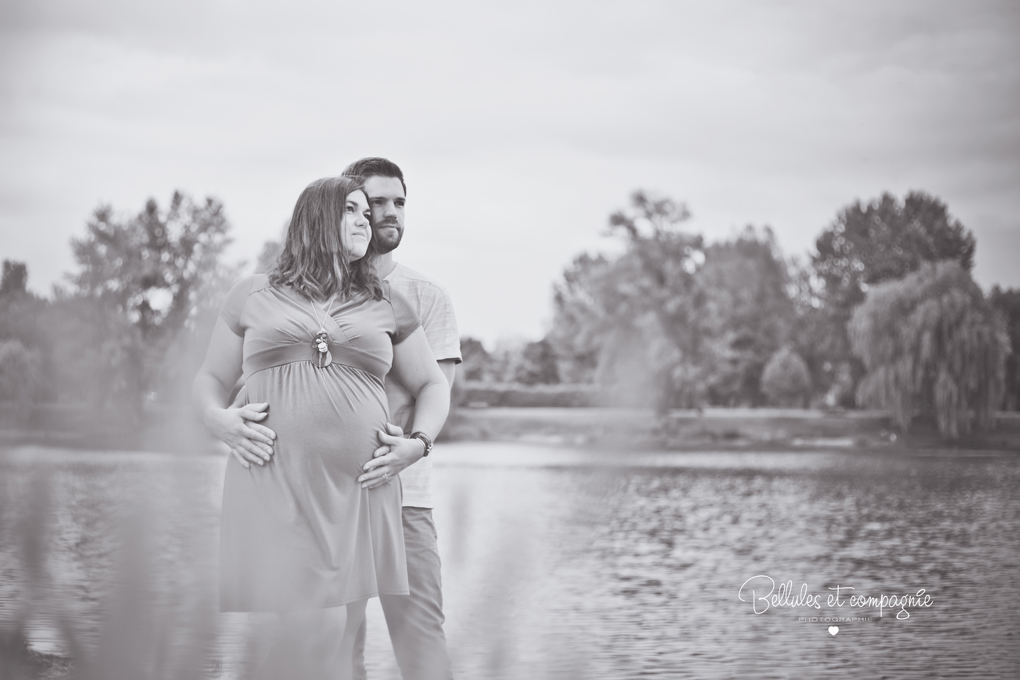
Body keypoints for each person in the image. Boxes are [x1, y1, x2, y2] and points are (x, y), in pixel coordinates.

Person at [192, 175, 450, 680]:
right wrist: (216, 419)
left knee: (335, 631)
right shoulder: (253, 292)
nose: (366, 220)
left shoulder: (387, 301)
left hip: (358, 490)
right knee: (314, 627)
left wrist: (417, 446)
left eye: (365, 212)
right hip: (275, 477)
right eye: (352, 210)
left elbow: (433, 386)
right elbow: (209, 379)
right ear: (318, 218)